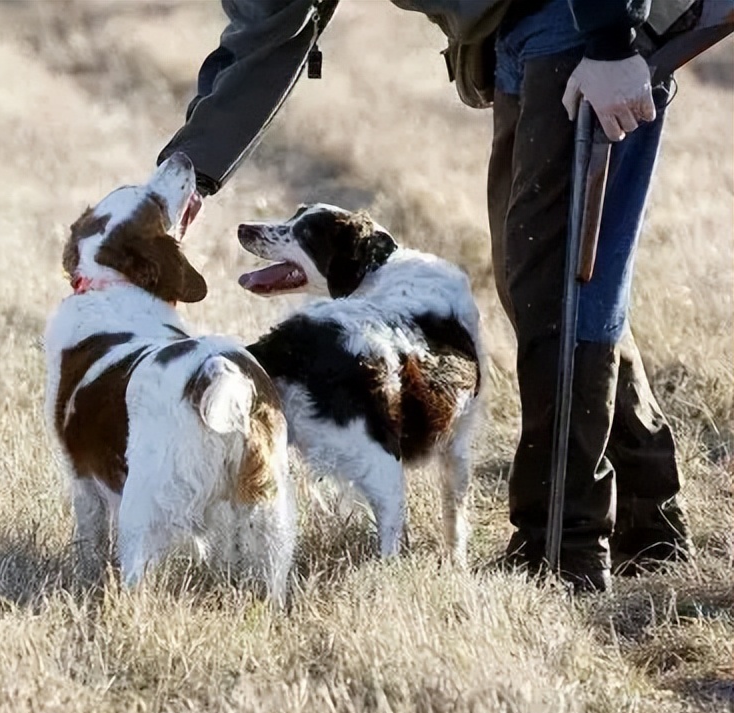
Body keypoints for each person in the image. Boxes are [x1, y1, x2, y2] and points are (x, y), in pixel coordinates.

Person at [158, 0, 693, 592]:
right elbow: (270, 22)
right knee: (538, 284)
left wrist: (612, 40)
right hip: (518, 32)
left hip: (583, 27)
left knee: (560, 287)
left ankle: (565, 551)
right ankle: (650, 525)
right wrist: (191, 169)